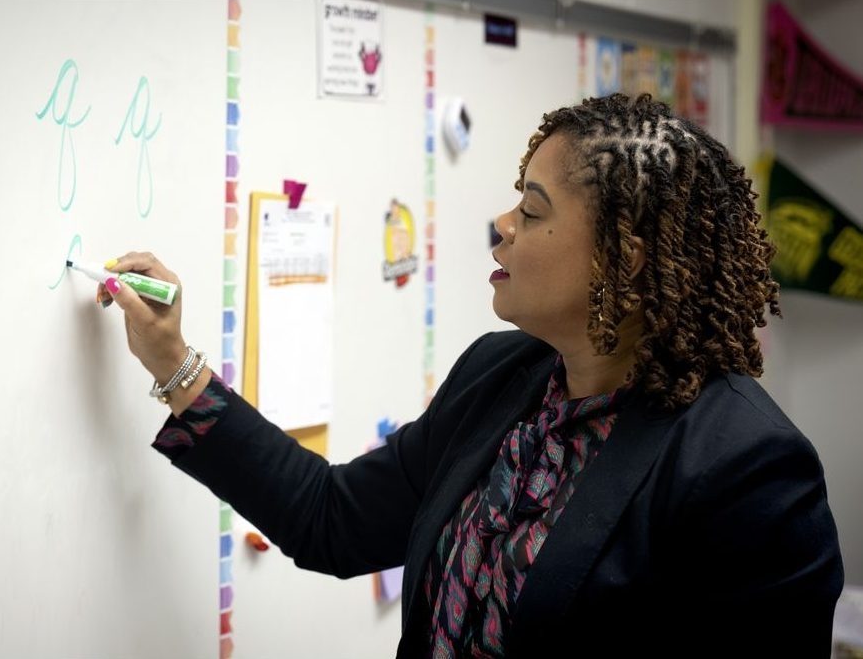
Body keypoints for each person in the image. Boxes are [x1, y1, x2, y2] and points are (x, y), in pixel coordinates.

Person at [100, 93, 843, 658]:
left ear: (626, 258)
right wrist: (176, 365)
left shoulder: (746, 466)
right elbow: (332, 521)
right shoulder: (501, 378)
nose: (502, 226)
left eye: (532, 207)